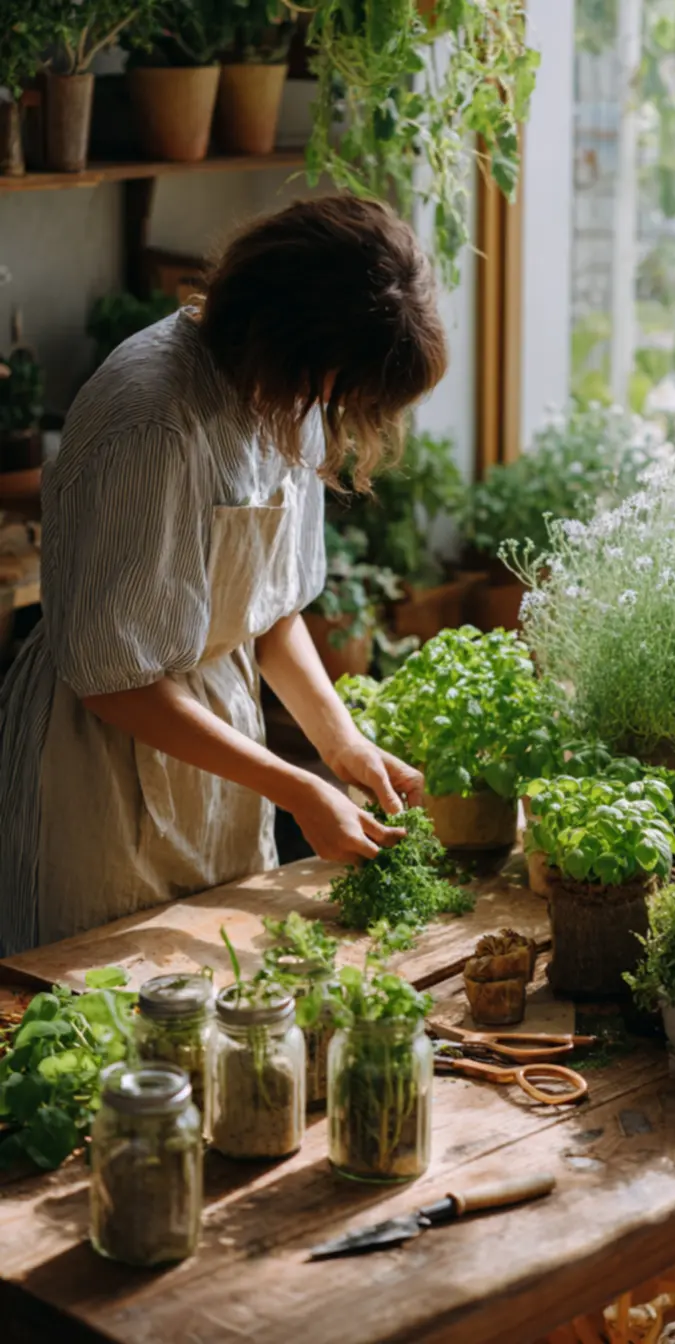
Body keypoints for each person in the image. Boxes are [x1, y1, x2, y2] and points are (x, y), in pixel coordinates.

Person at [0, 195, 448, 956]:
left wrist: (340, 747)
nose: (333, 408)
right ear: (281, 331)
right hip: (105, 772)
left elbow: (271, 613)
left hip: (220, 756)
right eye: (335, 384)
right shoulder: (150, 418)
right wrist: (295, 786)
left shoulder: (292, 392)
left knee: (235, 1008)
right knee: (107, 1023)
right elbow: (113, 682)